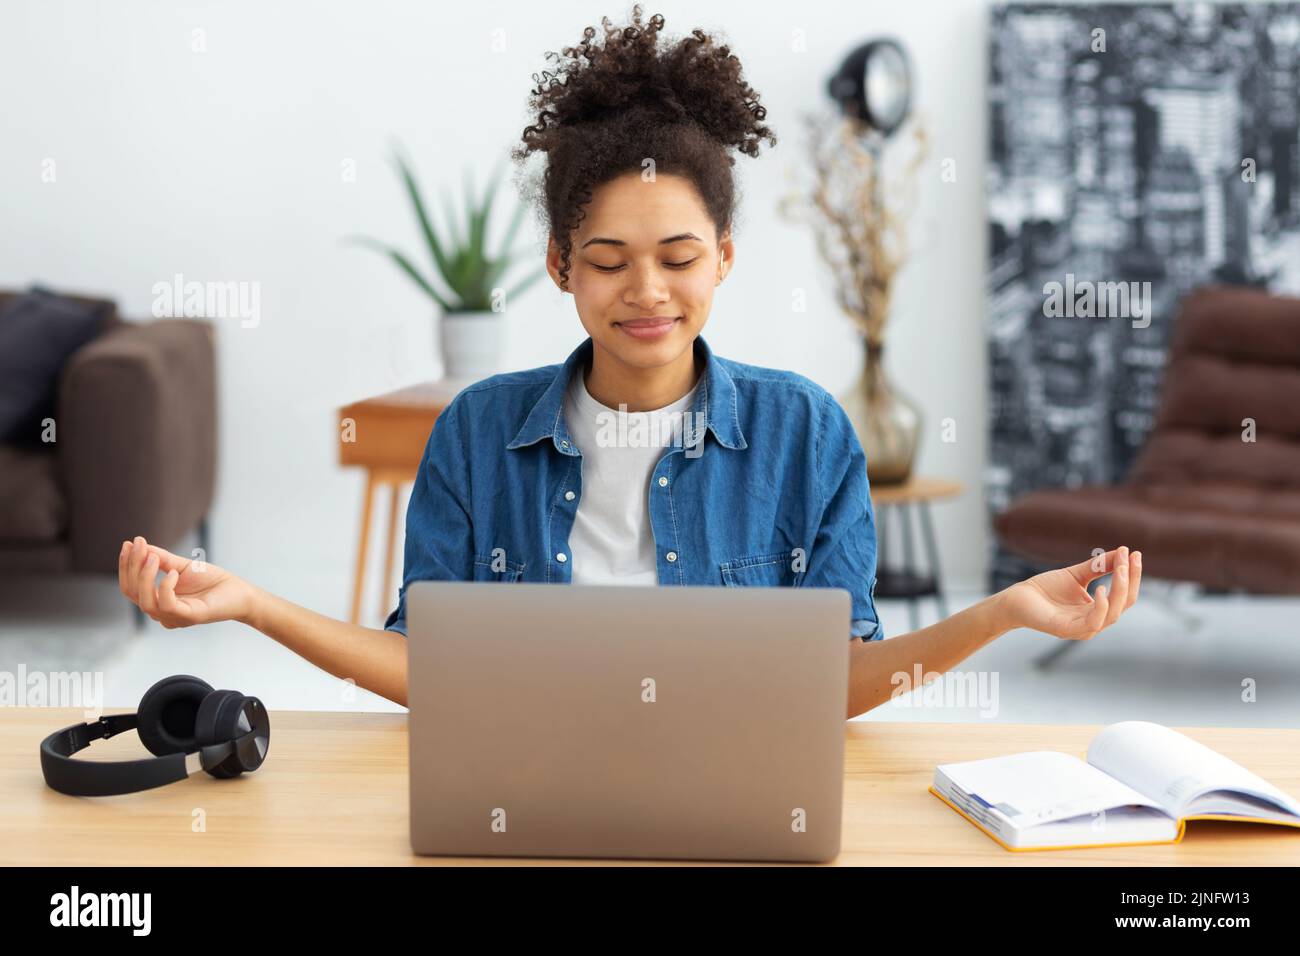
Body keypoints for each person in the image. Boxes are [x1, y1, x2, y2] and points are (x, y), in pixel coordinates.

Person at [119, 6, 1141, 713]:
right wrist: (248, 600)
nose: (647, 291)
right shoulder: (479, 433)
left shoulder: (804, 435)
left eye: (679, 257)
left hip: (738, 790)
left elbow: (838, 682)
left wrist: (1003, 612)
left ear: (725, 259)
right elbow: (427, 667)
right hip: (521, 789)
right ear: (561, 263)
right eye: (607, 260)